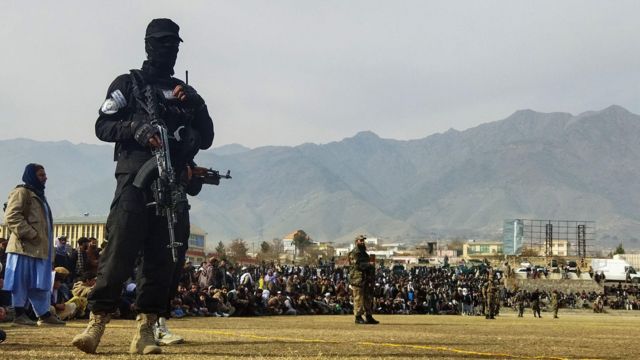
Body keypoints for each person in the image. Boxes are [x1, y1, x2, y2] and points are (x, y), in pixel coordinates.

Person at [72, 18, 214, 355]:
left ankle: (147, 328)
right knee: (119, 249)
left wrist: (196, 103)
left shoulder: (183, 92)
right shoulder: (128, 84)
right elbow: (102, 124)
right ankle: (97, 323)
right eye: (163, 43)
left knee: (165, 258)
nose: (170, 49)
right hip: (135, 179)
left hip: (173, 183)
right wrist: (135, 128)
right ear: (149, 44)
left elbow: (206, 137)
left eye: (175, 44)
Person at [2, 163, 65, 326]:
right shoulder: (21, 192)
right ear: (31, 176)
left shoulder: (39, 196)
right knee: (20, 282)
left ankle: (44, 315)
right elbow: (11, 216)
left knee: (40, 283)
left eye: (44, 175)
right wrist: (31, 234)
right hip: (23, 248)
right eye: (41, 175)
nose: (45, 178)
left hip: (39, 249)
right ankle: (19, 314)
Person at [348, 235, 378, 324]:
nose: (362, 242)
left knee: (367, 298)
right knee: (358, 298)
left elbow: (368, 265)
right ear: (356, 241)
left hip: (366, 278)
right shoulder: (354, 253)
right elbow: (357, 265)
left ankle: (368, 316)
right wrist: (369, 265)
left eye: (363, 240)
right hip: (357, 279)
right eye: (360, 240)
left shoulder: (364, 253)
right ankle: (358, 317)